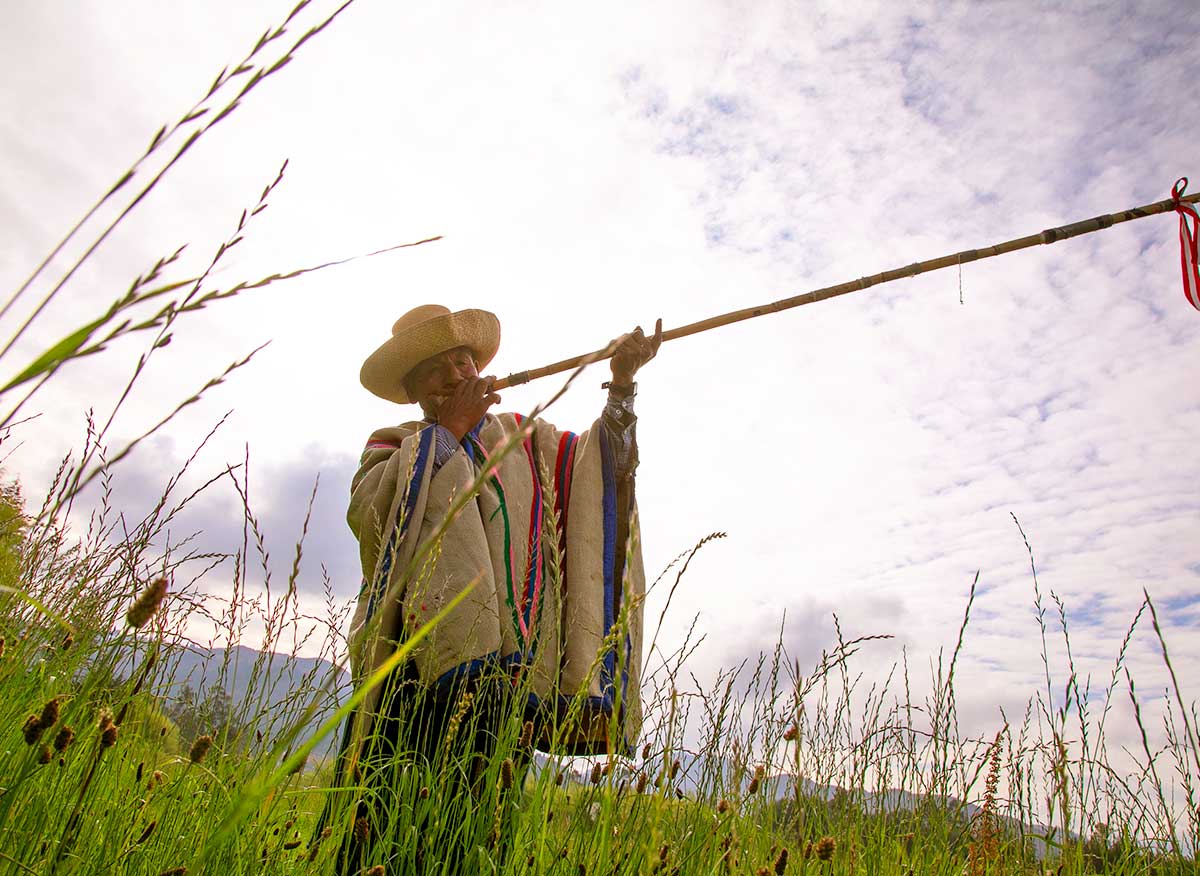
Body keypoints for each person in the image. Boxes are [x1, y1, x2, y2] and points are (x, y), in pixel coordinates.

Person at [329, 303, 660, 874]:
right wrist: (447, 435)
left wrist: (622, 387)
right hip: (407, 676)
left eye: (464, 360)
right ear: (413, 390)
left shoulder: (525, 442)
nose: (458, 374)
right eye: (438, 369)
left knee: (473, 837)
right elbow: (372, 518)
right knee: (377, 832)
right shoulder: (392, 446)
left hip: (498, 691)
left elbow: (598, 470)